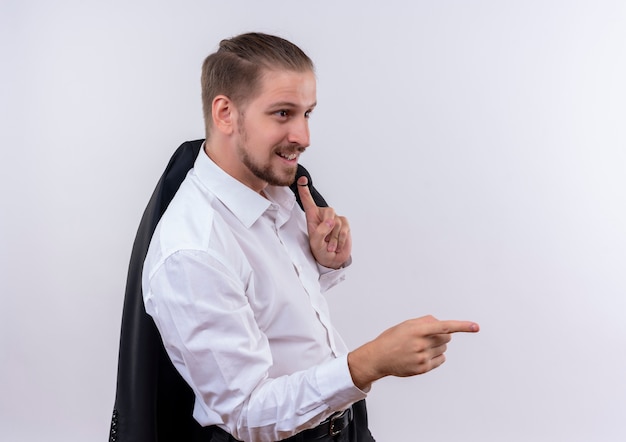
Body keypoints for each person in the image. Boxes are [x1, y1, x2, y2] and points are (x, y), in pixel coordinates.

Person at [142, 32, 480, 442]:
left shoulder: (277, 193)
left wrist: (322, 262)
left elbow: (269, 309)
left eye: (307, 114)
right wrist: (368, 363)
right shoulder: (194, 252)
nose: (303, 136)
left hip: (346, 427)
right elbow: (246, 414)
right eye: (283, 113)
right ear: (226, 113)